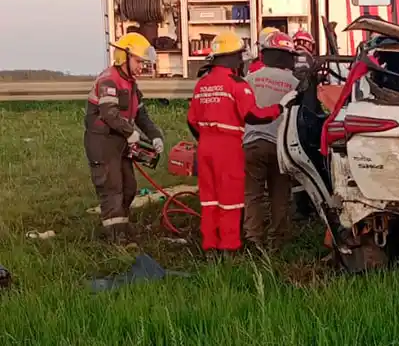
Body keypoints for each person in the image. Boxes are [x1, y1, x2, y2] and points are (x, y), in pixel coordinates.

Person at [187, 31, 283, 256]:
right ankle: (229, 248)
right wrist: (280, 108)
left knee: (209, 200)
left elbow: (191, 120)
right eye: (239, 56)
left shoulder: (202, 84)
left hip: (205, 148)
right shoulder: (237, 84)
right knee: (230, 200)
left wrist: (206, 139)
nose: (242, 60)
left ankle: (210, 247)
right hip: (228, 148)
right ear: (231, 57)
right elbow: (254, 115)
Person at [84, 32, 165, 244]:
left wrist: (155, 136)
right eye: (138, 61)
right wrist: (130, 132)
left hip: (120, 141)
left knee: (129, 187)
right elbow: (109, 113)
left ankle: (121, 228)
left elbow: (141, 115)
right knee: (112, 189)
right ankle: (115, 241)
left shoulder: (131, 83)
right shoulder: (108, 80)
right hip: (102, 142)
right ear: (124, 57)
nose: (141, 67)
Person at [242, 32, 300, 249]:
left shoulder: (250, 79)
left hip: (252, 144)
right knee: (280, 194)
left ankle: (253, 239)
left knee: (252, 195)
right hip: (281, 147)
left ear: (265, 54)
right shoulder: (294, 83)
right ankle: (277, 241)